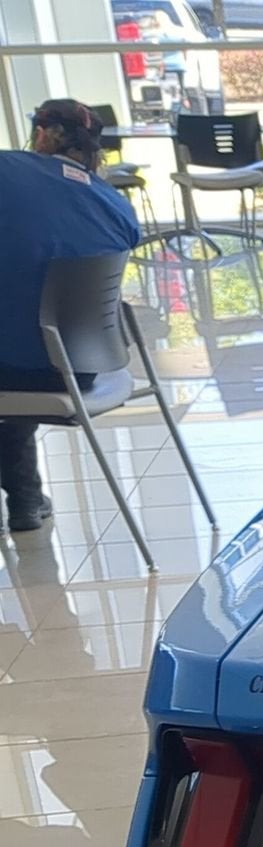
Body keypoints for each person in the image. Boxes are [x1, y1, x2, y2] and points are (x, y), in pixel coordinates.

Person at [0, 100, 143, 534]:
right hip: (83, 366)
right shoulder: (114, 203)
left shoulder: (7, 171)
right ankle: (25, 497)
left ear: (43, 134)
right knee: (27, 336)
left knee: (15, 348)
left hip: (18, 370)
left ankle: (25, 494)